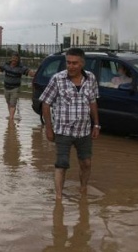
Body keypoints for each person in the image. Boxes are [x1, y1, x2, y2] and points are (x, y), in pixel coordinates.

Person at [39, 48, 100, 200]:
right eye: (68, 62)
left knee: (86, 162)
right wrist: (48, 128)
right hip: (63, 130)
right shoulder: (57, 79)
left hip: (84, 130)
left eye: (75, 63)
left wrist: (96, 125)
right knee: (61, 164)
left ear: (82, 64)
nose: (71, 66)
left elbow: (93, 102)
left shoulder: (91, 78)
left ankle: (83, 189)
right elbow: (46, 103)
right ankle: (58, 197)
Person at [0, 53, 35, 121]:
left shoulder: (21, 67)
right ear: (11, 59)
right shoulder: (7, 65)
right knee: (8, 102)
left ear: (18, 60)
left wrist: (35, 74)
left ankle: (11, 119)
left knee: (12, 104)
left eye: (16, 59)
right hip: (6, 87)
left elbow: (29, 72)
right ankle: (11, 116)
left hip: (15, 88)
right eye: (13, 58)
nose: (14, 60)